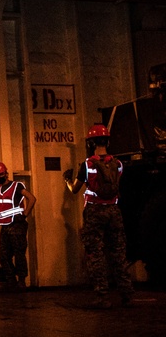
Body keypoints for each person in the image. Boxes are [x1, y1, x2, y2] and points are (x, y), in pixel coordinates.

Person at [64, 124, 134, 308]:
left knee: (96, 254)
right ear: (108, 141)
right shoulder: (118, 164)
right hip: (114, 211)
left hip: (95, 212)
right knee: (118, 252)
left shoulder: (87, 165)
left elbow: (75, 190)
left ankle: (102, 296)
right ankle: (126, 293)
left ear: (91, 143)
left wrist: (67, 181)